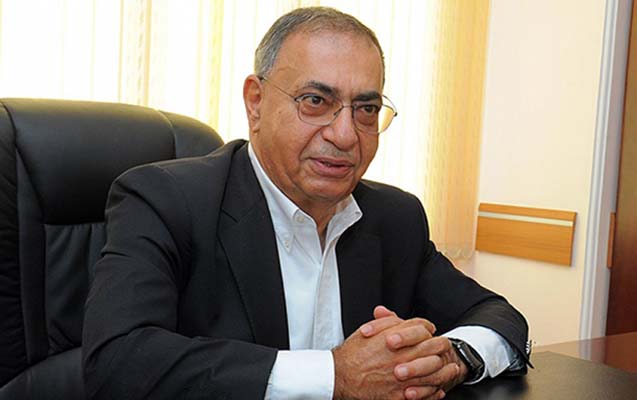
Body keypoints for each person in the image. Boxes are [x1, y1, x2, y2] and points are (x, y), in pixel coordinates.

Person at [83, 6, 529, 400]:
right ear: (255, 103)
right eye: (315, 101)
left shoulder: (395, 217)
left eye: (366, 109)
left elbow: (501, 318)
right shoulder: (165, 200)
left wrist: (452, 358)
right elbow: (118, 364)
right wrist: (334, 375)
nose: (345, 135)